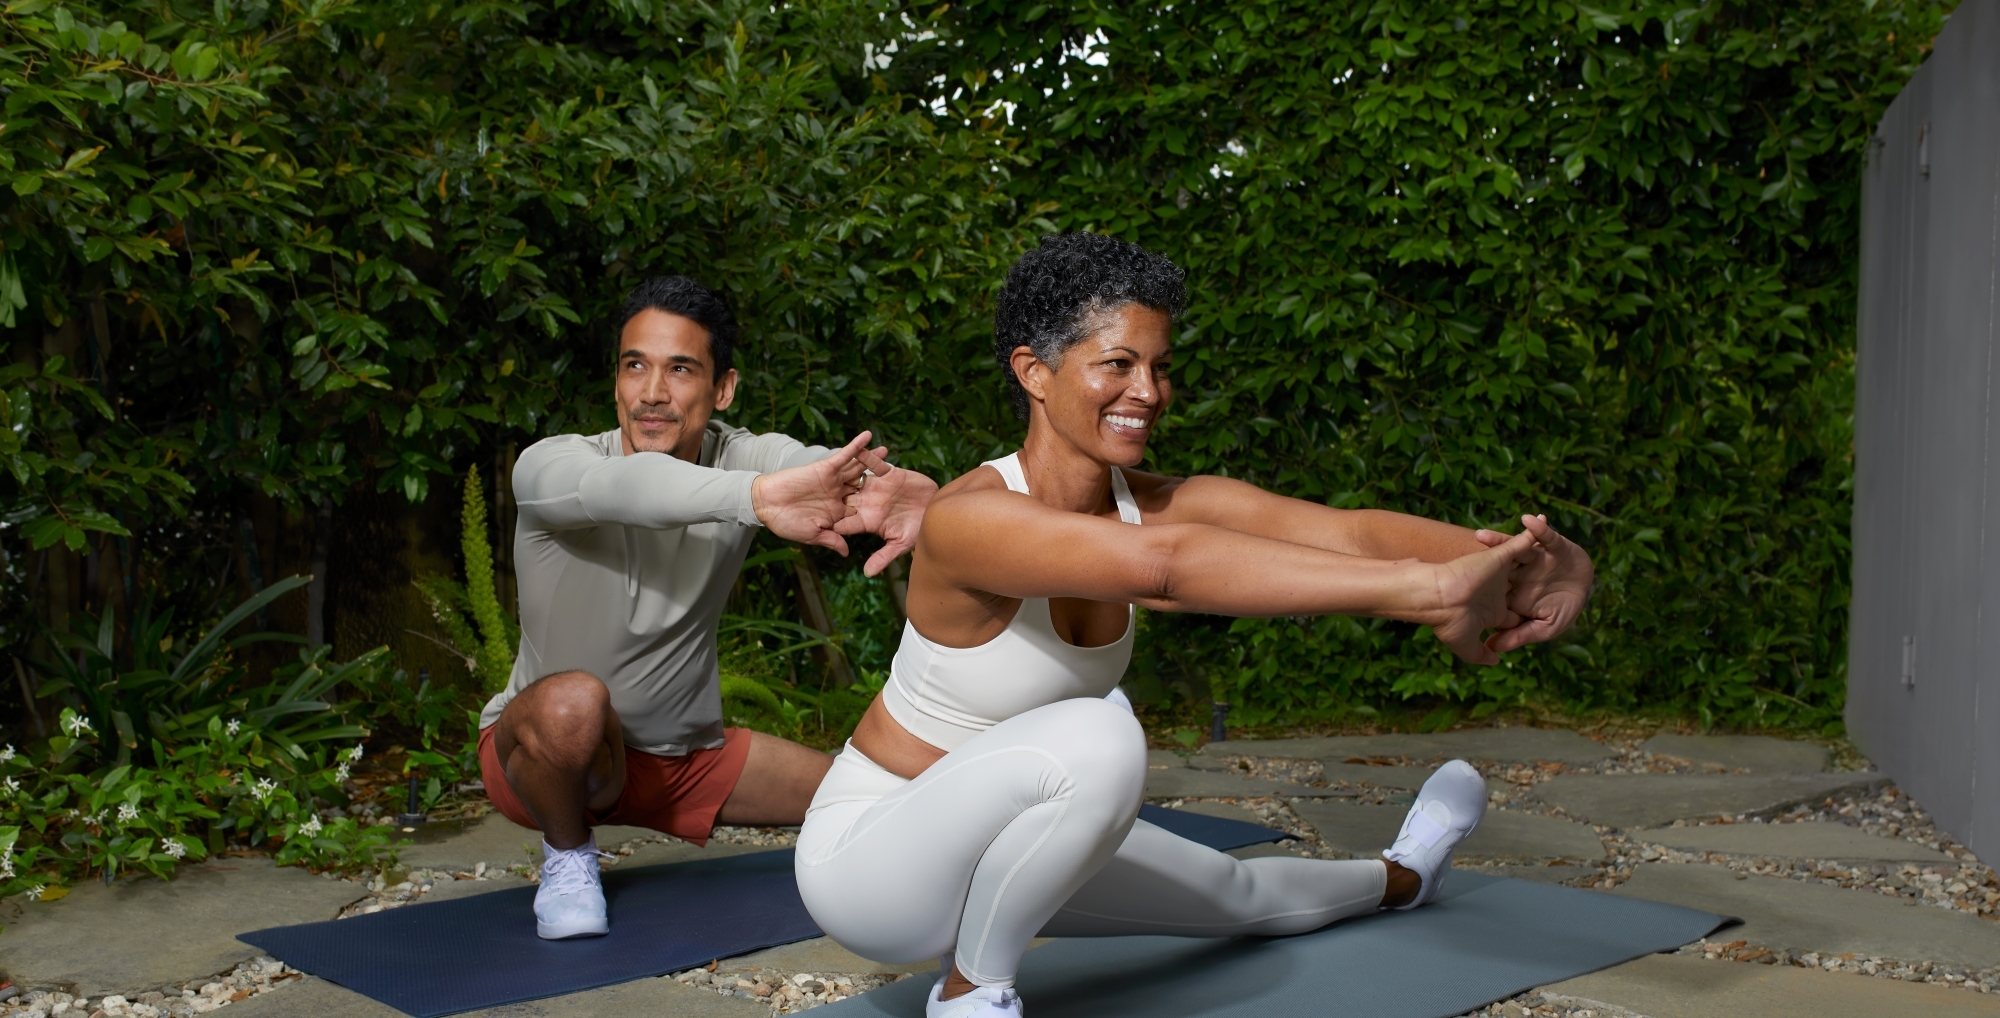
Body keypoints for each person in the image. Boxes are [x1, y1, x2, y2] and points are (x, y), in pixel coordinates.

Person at [793, 233, 1594, 1018]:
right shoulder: (971, 519)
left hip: (1020, 841)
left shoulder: (1155, 500)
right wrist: (1428, 592)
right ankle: (972, 994)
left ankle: (1408, 873)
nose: (1148, 391)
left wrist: (1524, 569)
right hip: (875, 863)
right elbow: (1164, 566)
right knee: (1102, 734)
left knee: (1239, 892)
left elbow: (1346, 533)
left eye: (1160, 365)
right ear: (1034, 372)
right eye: (1118, 363)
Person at [478, 275, 938, 940]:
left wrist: (887, 492)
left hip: (684, 762)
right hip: (545, 760)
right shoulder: (554, 467)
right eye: (635, 365)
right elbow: (631, 487)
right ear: (616, 379)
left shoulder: (747, 458)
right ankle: (569, 857)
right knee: (571, 702)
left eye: (680, 370)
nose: (652, 393)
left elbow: (810, 466)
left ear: (721, 388)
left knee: (882, 796)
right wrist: (755, 498)